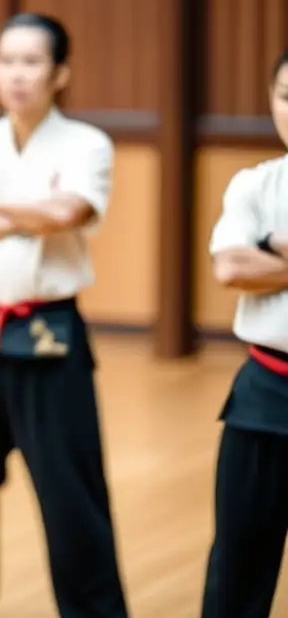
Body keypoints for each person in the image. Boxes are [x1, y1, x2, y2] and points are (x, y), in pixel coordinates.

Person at [0, 13, 128, 618]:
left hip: (51, 335)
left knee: (72, 494)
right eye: (6, 61)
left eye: (32, 62)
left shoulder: (86, 143)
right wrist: (25, 214)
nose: (16, 75)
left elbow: (67, 211)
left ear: (59, 72)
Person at [202, 49, 288, 618]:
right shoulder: (256, 184)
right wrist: (254, 258)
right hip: (264, 391)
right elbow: (231, 268)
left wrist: (273, 256)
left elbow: (253, 263)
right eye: (286, 96)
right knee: (239, 561)